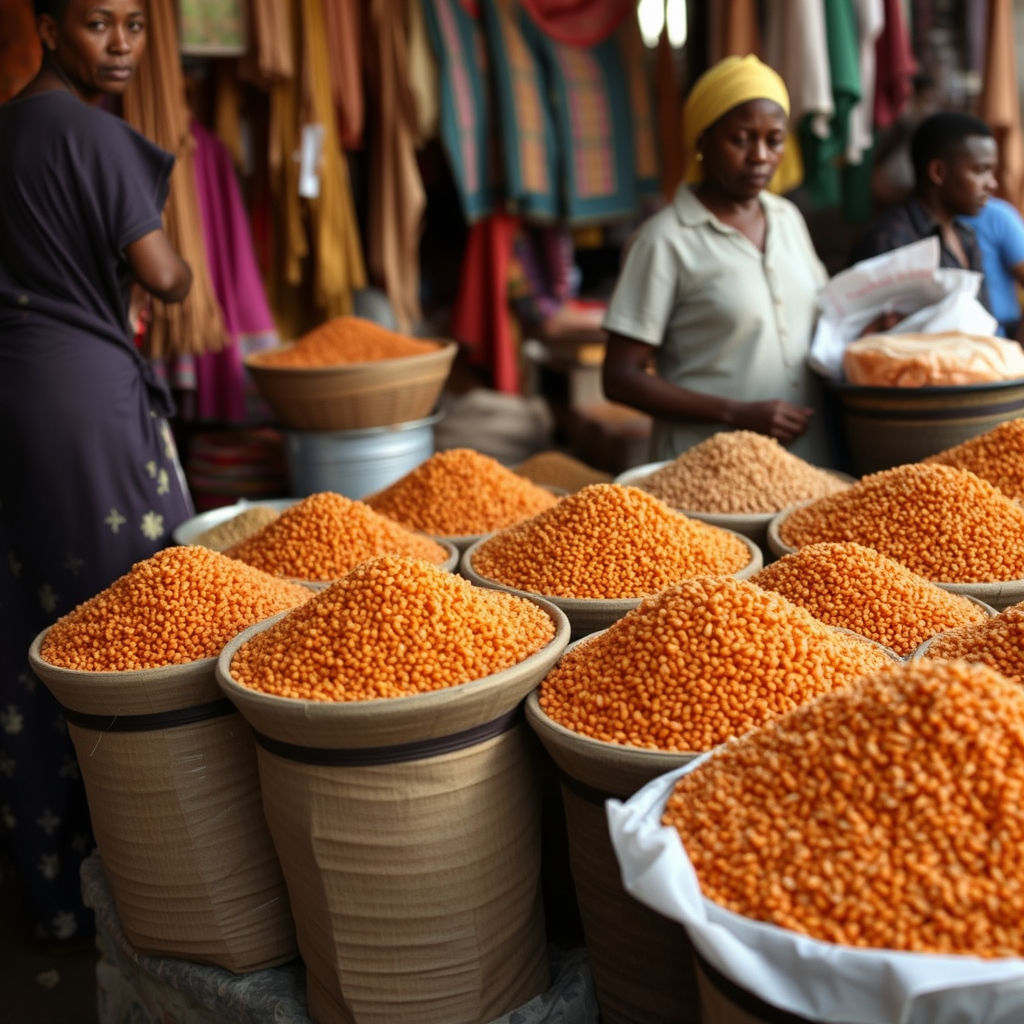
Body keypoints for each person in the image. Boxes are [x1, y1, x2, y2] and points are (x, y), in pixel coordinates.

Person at [0, 0, 194, 944]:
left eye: (134, 25)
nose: (119, 47)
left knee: (27, 639)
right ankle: (150, 888)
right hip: (86, 413)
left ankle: (53, 896)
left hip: (13, 403)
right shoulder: (99, 140)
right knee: (138, 634)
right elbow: (166, 277)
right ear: (44, 27)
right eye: (95, 25)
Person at [601, 55, 833, 466]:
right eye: (741, 139)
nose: (760, 155)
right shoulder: (666, 241)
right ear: (702, 142)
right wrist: (738, 414)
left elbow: (821, 315)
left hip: (805, 465)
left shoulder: (787, 219)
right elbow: (620, 379)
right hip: (707, 470)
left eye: (774, 140)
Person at [848, 112, 997, 310]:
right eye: (980, 171)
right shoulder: (891, 241)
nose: (992, 184)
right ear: (938, 172)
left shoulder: (966, 236)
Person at [959, 195, 1024, 342]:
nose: (991, 184)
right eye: (979, 171)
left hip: (1002, 340)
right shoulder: (910, 226)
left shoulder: (996, 216)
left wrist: (1017, 349)